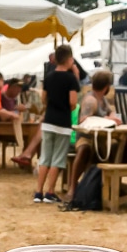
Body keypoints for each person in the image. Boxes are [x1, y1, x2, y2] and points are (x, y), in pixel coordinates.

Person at [64, 70, 121, 202]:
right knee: (85, 150)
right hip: (86, 137)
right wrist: (105, 118)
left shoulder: (103, 100)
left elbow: (111, 113)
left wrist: (112, 117)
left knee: (115, 148)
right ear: (107, 86)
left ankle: (109, 187)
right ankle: (72, 188)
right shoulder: (91, 100)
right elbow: (83, 120)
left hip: (101, 138)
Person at [34, 44, 79, 203]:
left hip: (49, 120)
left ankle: (38, 192)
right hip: (63, 123)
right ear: (69, 59)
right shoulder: (71, 79)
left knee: (45, 157)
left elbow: (43, 99)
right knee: (58, 158)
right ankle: (50, 191)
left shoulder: (49, 77)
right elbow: (73, 102)